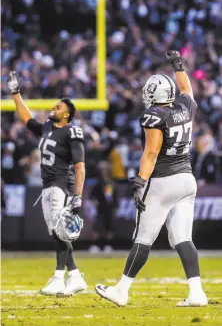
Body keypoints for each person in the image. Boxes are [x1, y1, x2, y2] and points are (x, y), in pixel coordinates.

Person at [96, 51, 208, 307]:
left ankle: (122, 290)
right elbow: (186, 87)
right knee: (182, 238)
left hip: (162, 180)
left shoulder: (153, 116)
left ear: (152, 95)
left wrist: (139, 181)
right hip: (186, 179)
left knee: (143, 238)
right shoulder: (185, 106)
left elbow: (152, 151)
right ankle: (196, 293)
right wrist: (178, 65)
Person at [7, 71, 87, 296]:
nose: (54, 107)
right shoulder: (46, 128)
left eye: (59, 107)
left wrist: (78, 195)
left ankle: (59, 276)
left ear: (67, 115)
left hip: (63, 183)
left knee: (60, 231)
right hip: (48, 184)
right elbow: (26, 118)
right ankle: (75, 276)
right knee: (55, 231)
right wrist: (15, 93)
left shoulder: (72, 131)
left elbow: (80, 165)